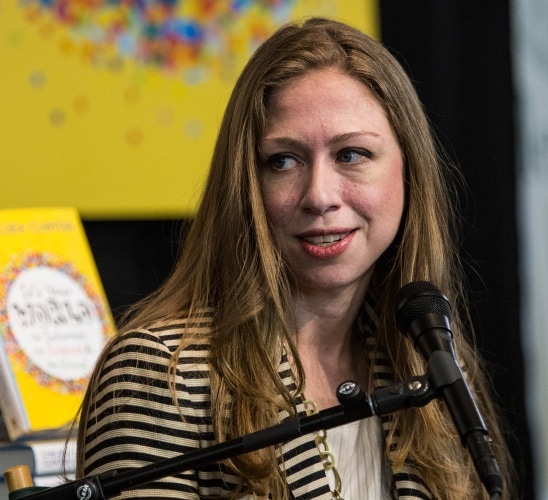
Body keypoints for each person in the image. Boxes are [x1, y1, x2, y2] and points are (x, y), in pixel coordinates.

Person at [76, 17, 515, 499]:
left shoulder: (431, 367)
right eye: (283, 161)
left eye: (351, 155)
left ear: (409, 171)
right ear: (245, 186)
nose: (320, 196)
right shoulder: (159, 372)